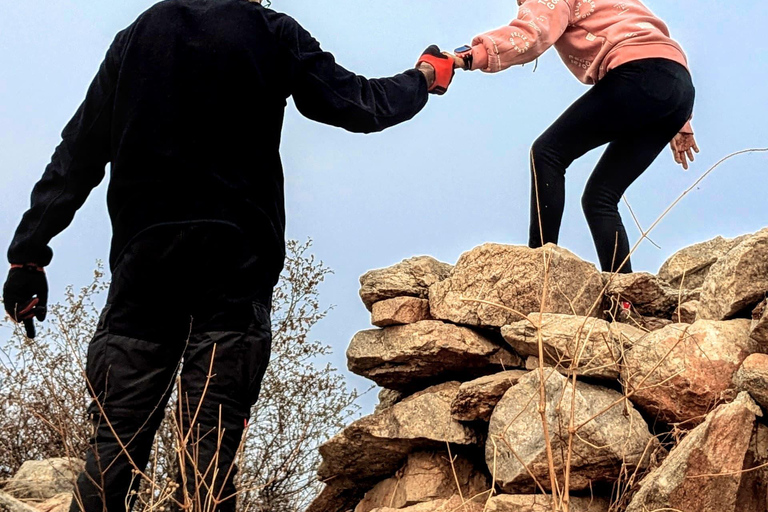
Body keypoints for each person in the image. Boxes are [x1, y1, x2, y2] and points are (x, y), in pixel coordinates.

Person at [1, 1, 456, 511]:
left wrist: (27, 258)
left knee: (114, 451)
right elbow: (362, 104)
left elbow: (76, 155)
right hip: (233, 270)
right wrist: (423, 75)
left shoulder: (136, 37)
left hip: (145, 268)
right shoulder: (271, 31)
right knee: (208, 459)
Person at [452, 0, 697, 272]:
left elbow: (532, 34)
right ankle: (623, 299)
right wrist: (681, 120)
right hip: (678, 86)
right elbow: (648, 39)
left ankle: (540, 270)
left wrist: (467, 56)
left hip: (638, 73)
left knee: (547, 153)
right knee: (599, 198)